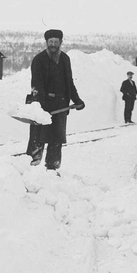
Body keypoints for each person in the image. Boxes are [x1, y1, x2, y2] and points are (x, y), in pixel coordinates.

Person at [29, 29, 84, 171]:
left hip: (60, 106)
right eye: (50, 42)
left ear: (60, 42)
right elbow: (37, 84)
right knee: (38, 138)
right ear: (46, 42)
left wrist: (77, 100)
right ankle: (32, 169)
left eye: (56, 42)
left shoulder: (65, 59)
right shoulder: (39, 59)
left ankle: (52, 170)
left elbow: (69, 82)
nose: (53, 44)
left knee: (56, 140)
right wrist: (42, 107)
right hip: (42, 107)